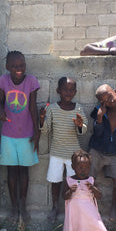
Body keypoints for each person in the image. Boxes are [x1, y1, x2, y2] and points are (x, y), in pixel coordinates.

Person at [0, 51, 40, 224]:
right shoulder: (3, 81)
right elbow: (0, 101)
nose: (18, 69)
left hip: (27, 133)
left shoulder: (31, 82)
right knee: (12, 170)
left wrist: (36, 131)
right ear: (7, 67)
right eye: (14, 66)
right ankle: (13, 206)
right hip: (8, 132)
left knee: (24, 170)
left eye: (21, 65)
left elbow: (32, 106)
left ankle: (23, 204)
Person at [39, 77, 88, 223]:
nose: (68, 92)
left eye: (71, 89)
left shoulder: (78, 108)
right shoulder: (53, 108)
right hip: (56, 153)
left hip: (74, 155)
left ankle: (72, 208)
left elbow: (83, 130)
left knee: (73, 182)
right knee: (56, 182)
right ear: (58, 90)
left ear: (75, 92)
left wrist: (80, 125)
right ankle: (55, 207)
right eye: (65, 89)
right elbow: (46, 130)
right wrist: (42, 119)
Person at [88, 84, 116, 222]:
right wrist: (100, 118)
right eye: (105, 100)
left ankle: (113, 209)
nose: (110, 101)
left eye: (111, 96)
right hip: (97, 151)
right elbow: (97, 133)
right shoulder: (99, 112)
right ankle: (90, 207)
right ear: (101, 102)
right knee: (89, 179)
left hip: (115, 154)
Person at [62, 149, 112, 231]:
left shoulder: (91, 180)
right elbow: (64, 197)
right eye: (80, 167)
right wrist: (70, 191)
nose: (83, 170)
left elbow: (99, 196)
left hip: (89, 211)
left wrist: (93, 189)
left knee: (92, 225)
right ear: (73, 167)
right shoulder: (69, 180)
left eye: (86, 168)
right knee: (77, 227)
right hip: (74, 212)